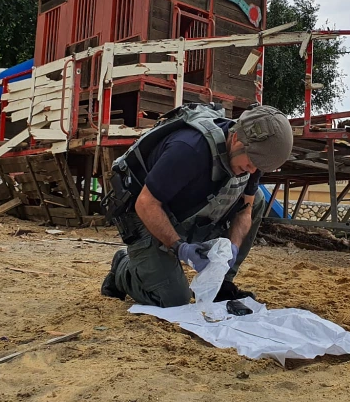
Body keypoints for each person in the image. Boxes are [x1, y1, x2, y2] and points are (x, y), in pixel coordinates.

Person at [101, 104, 293, 307]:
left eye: (259, 166)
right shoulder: (190, 149)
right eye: (252, 162)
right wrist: (180, 247)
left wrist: (232, 249)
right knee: (173, 300)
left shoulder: (255, 157)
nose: (253, 170)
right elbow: (146, 203)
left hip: (188, 211)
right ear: (236, 139)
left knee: (258, 202)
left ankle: (221, 283)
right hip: (146, 215)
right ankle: (123, 268)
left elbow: (246, 210)